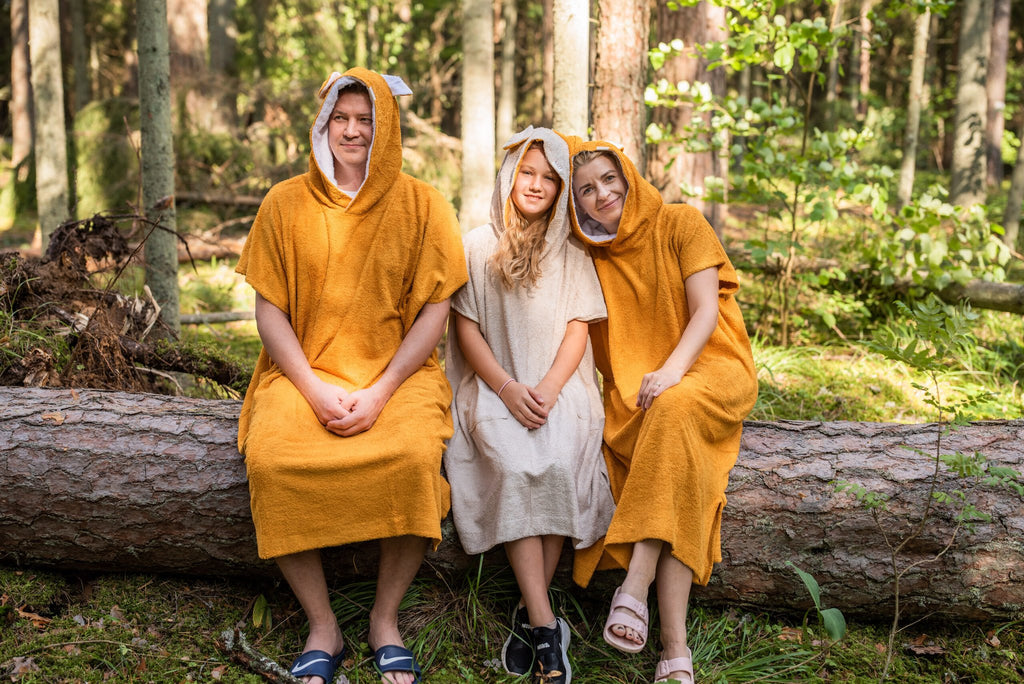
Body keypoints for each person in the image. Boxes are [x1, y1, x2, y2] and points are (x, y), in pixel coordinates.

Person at [235, 67, 467, 684]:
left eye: (366, 120)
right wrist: (312, 390)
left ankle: (384, 621)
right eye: (341, 118)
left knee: (414, 459)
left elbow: (436, 310)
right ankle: (323, 626)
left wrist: (382, 391)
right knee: (272, 460)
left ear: (386, 129)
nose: (352, 130)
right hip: (303, 374)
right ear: (323, 124)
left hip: (399, 376)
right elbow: (269, 311)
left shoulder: (423, 204)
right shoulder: (284, 202)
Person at [566, 139, 758, 684]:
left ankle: (635, 585)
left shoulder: (680, 222)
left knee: (672, 410)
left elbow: (705, 312)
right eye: (586, 190)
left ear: (627, 175)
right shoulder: (592, 258)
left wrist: (672, 371)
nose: (602, 194)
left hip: (713, 368)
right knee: (682, 472)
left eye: (609, 179)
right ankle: (675, 651)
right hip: (644, 395)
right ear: (576, 204)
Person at [444, 127, 615, 684]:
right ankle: (547, 626)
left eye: (549, 178)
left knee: (561, 461)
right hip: (495, 386)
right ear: (509, 176)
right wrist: (507, 388)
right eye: (527, 173)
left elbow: (578, 330)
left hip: (559, 388)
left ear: (561, 188)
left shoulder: (572, 250)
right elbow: (466, 329)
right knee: (516, 465)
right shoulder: (477, 245)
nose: (537, 184)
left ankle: (528, 614)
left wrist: (549, 387)